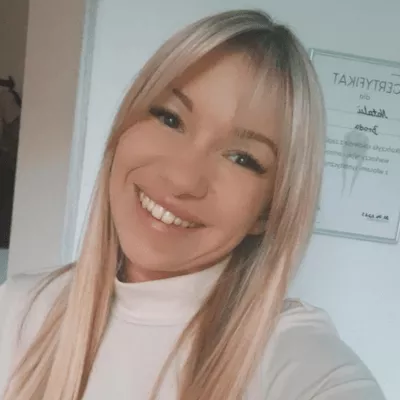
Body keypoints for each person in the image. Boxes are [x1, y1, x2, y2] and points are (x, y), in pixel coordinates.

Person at [0, 9, 385, 400]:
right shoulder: (19, 309)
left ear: (268, 212)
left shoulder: (294, 357)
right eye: (170, 118)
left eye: (242, 158)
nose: (183, 179)